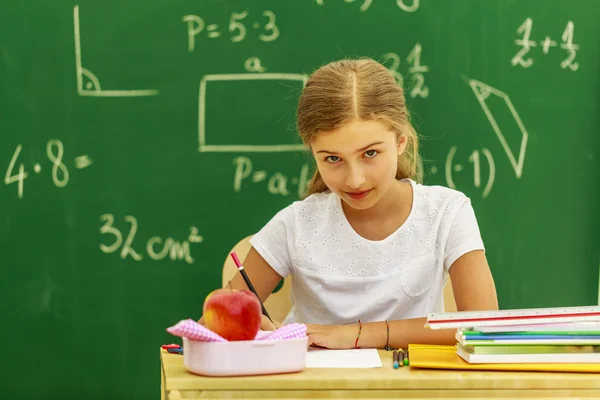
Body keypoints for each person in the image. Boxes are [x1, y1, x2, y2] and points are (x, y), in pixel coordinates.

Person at [204, 57, 498, 350]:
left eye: (370, 153)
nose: (354, 180)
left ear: (400, 141)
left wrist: (353, 335)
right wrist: (249, 328)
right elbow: (210, 328)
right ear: (313, 152)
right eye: (332, 159)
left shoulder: (447, 212)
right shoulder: (295, 224)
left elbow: (482, 326)